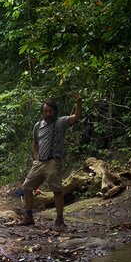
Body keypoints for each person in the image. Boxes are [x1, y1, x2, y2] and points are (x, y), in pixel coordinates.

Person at [20, 94, 82, 231]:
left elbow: (76, 117)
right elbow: (35, 142)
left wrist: (78, 103)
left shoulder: (61, 122)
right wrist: (35, 157)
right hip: (39, 163)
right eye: (45, 111)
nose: (47, 114)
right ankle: (29, 217)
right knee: (27, 187)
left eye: (50, 111)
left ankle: (60, 220)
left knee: (57, 190)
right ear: (43, 112)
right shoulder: (38, 125)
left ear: (54, 111)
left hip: (53, 161)